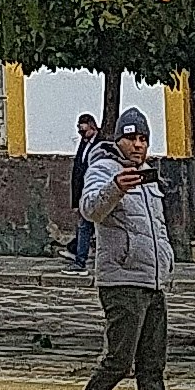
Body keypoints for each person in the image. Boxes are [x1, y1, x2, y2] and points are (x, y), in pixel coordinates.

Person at [61, 109, 195, 390]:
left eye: (143, 139)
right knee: (119, 360)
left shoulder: (148, 176)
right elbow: (90, 209)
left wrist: (165, 261)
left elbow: (157, 226)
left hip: (151, 279)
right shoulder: (104, 168)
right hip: (120, 279)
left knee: (152, 362)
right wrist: (115, 188)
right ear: (118, 139)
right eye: (132, 138)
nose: (138, 145)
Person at [69, 109, 103, 272]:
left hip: (99, 191)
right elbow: (77, 171)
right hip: (85, 193)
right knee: (84, 225)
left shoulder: (102, 143)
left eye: (83, 130)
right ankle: (80, 259)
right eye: (79, 131)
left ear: (92, 127)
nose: (81, 134)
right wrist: (76, 199)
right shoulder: (83, 143)